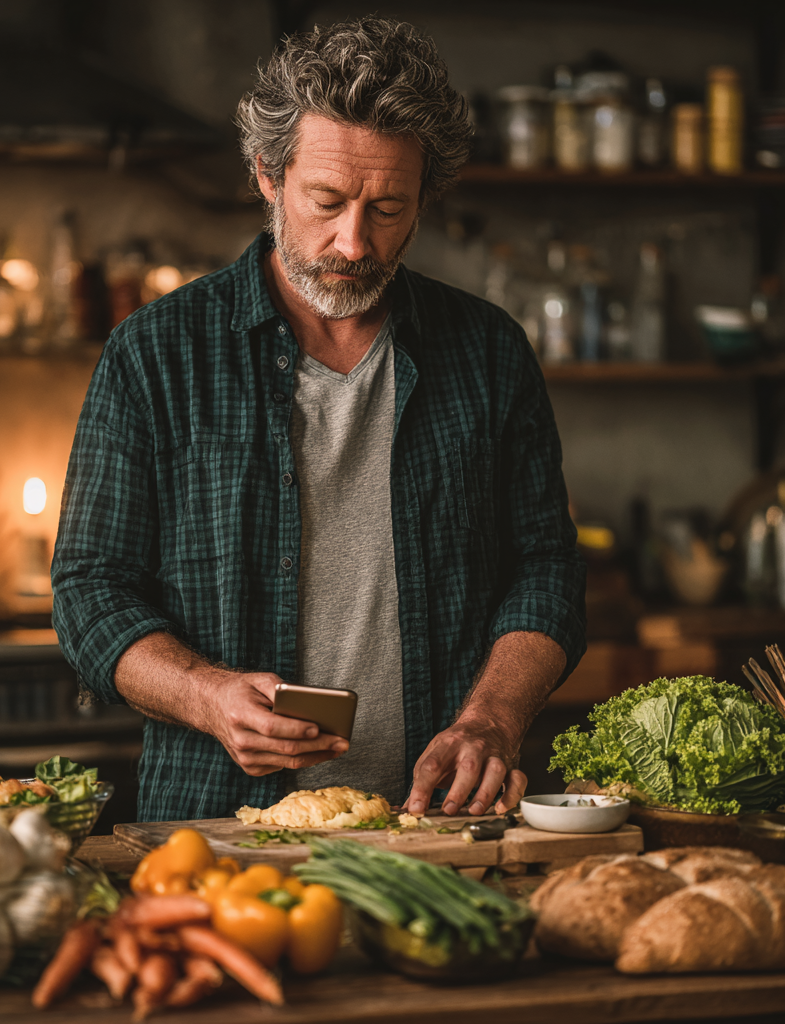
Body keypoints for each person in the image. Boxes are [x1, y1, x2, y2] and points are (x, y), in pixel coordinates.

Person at [51, 17, 586, 823]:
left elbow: (546, 569)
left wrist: (493, 719)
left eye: (389, 208)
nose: (353, 241)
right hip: (217, 826)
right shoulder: (154, 354)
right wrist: (204, 695)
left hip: (443, 826)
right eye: (327, 200)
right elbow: (90, 592)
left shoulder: (489, 352)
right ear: (268, 175)